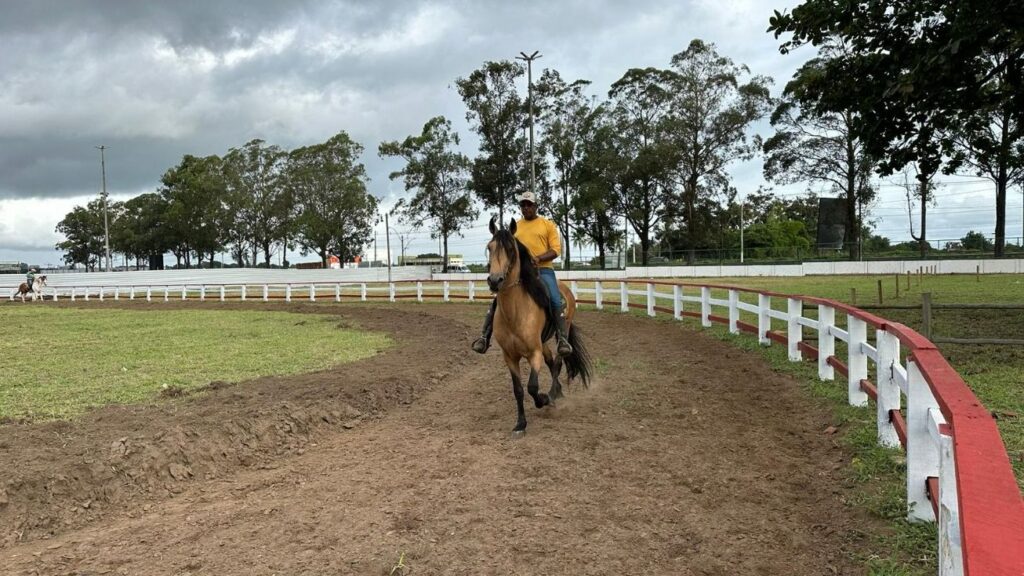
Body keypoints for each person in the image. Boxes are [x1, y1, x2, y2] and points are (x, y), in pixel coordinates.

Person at [472, 191, 573, 356]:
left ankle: (562, 338)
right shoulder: (516, 228)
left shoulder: (547, 225)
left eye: (529, 204)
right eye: (523, 205)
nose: (526, 208)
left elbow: (556, 250)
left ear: (535, 206)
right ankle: (484, 337)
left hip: (544, 269)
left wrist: (538, 259)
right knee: (498, 299)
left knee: (554, 297)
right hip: (522, 273)